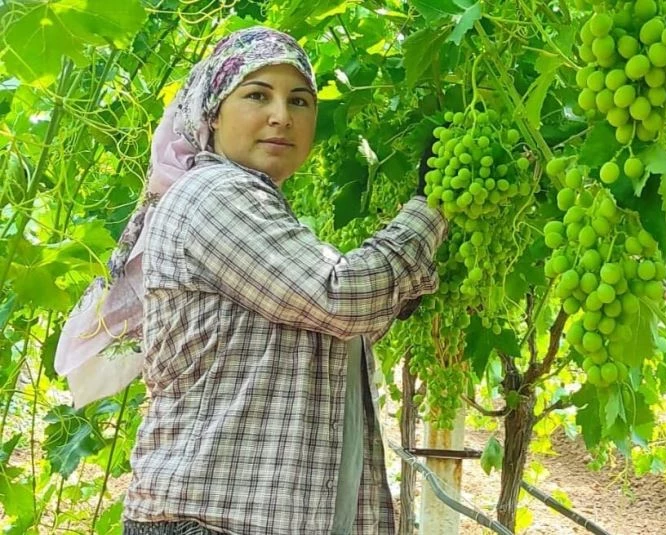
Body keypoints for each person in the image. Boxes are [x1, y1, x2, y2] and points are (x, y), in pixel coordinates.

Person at [57, 26, 447, 535]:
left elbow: (320, 330)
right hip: (212, 522)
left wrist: (392, 293)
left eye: (301, 101)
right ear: (213, 113)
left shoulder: (264, 215)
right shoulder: (214, 193)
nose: (282, 115)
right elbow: (339, 299)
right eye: (257, 95)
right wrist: (430, 206)